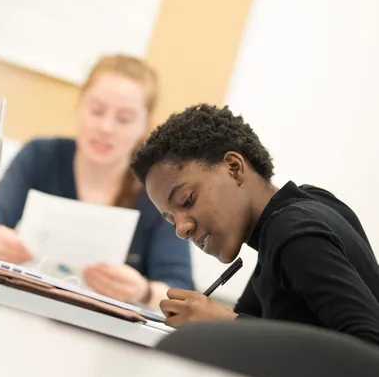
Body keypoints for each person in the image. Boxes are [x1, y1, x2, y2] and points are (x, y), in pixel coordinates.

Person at [130, 104, 379, 346]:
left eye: (187, 200)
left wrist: (225, 325)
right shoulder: (301, 210)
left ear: (234, 168)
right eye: (171, 219)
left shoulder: (292, 231)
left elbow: (370, 346)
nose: (181, 229)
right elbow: (253, 319)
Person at [0, 55, 194, 308]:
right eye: (96, 110)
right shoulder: (39, 157)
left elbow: (182, 292)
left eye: (124, 119)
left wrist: (144, 292)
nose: (106, 127)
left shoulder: (161, 191)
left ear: (145, 125)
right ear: (80, 105)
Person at [235, 184, 374, 316]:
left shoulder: (288, 229)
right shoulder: (316, 199)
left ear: (233, 167)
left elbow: (369, 335)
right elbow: (247, 310)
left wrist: (232, 320)